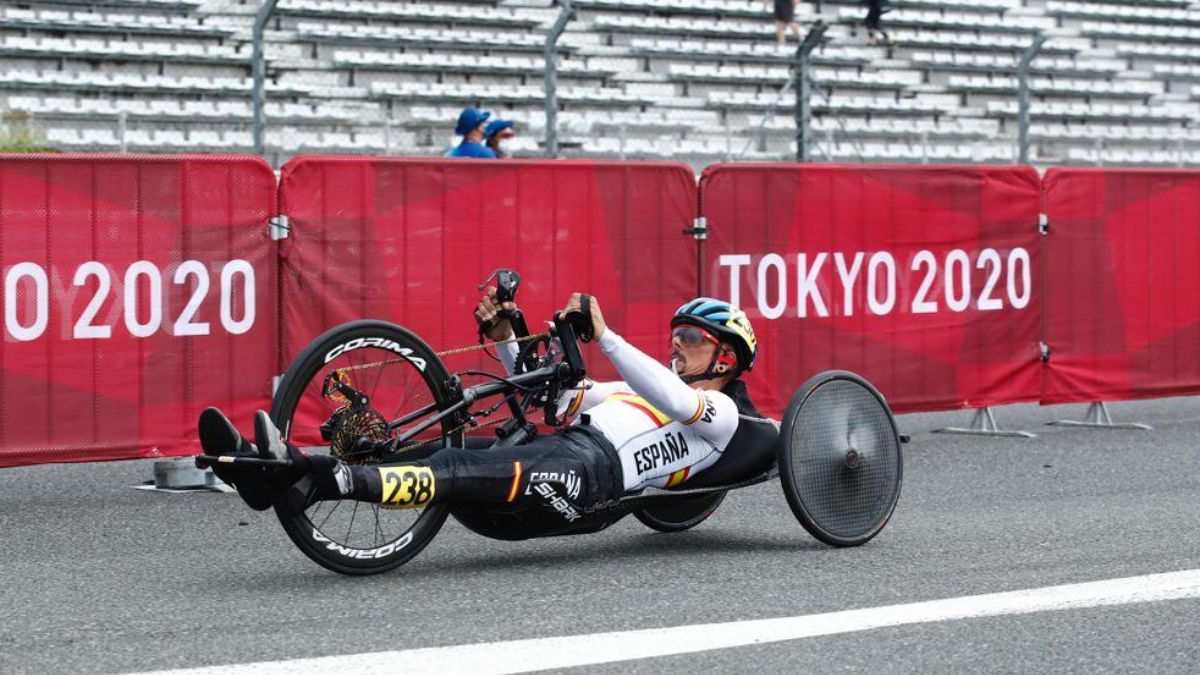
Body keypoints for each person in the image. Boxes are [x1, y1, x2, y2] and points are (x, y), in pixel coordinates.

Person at [199, 293, 778, 536]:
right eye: (674, 337)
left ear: (726, 357)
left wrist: (607, 336)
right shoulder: (633, 394)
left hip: (590, 485)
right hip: (567, 456)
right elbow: (554, 399)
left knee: (452, 461)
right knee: (435, 453)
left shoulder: (721, 414)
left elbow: (678, 400)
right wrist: (506, 336)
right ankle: (266, 472)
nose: (676, 348)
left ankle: (307, 482)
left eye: (690, 340)